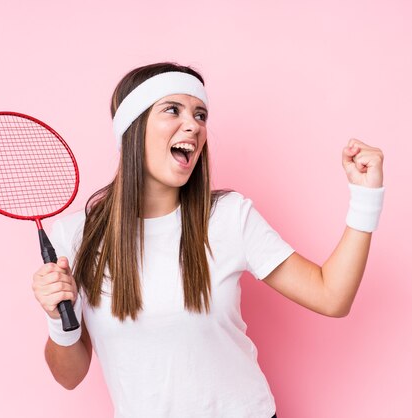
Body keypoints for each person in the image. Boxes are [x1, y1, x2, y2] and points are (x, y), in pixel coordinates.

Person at [32, 62, 385, 418]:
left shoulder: (229, 217)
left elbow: (332, 296)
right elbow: (69, 376)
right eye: (173, 109)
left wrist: (366, 198)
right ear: (131, 127)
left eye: (200, 114)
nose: (194, 126)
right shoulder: (75, 237)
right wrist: (56, 317)